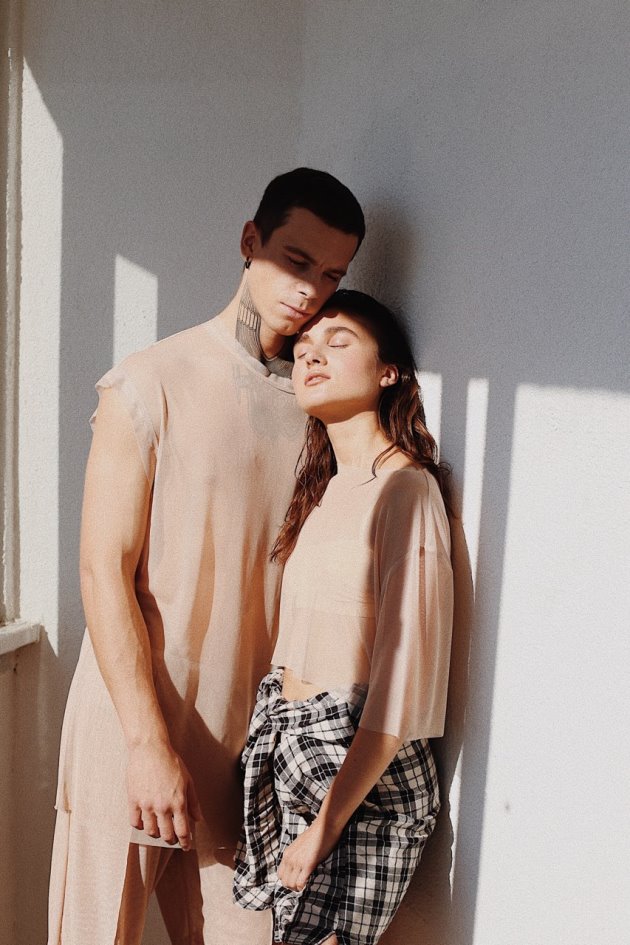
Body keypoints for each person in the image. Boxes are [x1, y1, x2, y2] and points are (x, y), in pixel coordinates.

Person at [48, 169, 365, 945]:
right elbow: (102, 571)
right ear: (250, 241)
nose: (310, 290)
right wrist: (146, 744)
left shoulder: (316, 409)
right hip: (129, 729)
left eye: (331, 275)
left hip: (240, 754)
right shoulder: (149, 380)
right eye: (296, 261)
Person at [233, 290, 454, 945]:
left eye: (338, 342)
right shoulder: (327, 489)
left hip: (362, 770)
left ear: (389, 372)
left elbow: (400, 689)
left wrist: (324, 827)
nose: (312, 356)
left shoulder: (405, 489)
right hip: (299, 747)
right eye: (304, 347)